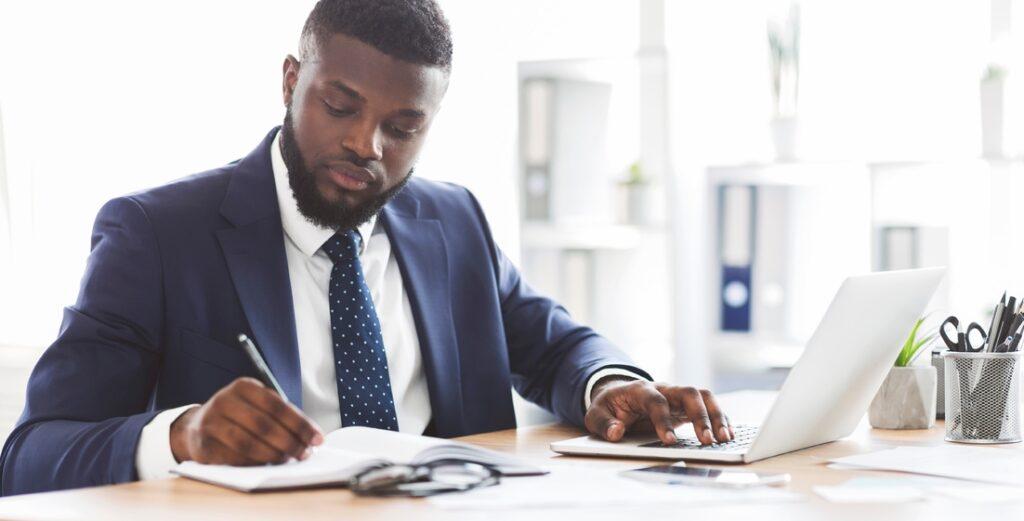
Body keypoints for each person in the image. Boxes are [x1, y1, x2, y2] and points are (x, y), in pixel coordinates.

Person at [0, 0, 732, 496]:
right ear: (292, 81)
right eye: (340, 106)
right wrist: (182, 435)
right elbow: (31, 456)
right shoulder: (157, 235)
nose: (365, 144)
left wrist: (610, 386)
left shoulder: (453, 220)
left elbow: (552, 345)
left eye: (403, 126)